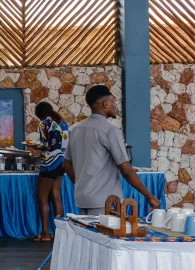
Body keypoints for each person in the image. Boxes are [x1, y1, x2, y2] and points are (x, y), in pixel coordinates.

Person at [63, 85, 161, 215]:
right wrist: (149, 196)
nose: (116, 105)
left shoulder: (75, 130)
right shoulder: (110, 131)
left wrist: (81, 184)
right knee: (103, 229)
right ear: (106, 104)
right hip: (105, 202)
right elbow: (126, 169)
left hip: (82, 199)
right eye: (114, 101)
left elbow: (67, 164)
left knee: (86, 229)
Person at [29, 102, 68, 241]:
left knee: (42, 198)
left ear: (38, 114)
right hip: (61, 162)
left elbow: (46, 146)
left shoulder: (45, 123)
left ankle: (45, 233)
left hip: (49, 163)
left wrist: (35, 147)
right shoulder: (63, 123)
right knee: (56, 196)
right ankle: (59, 233)